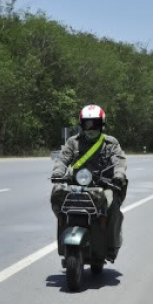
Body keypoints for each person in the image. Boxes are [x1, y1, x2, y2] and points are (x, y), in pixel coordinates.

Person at [51, 104, 127, 260]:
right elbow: (63, 158)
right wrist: (58, 172)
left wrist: (118, 175)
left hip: (104, 185)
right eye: (87, 123)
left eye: (95, 123)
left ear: (102, 124)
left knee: (112, 207)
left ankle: (111, 245)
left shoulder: (110, 143)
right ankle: (63, 226)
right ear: (82, 124)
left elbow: (119, 160)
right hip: (77, 184)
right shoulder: (73, 142)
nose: (90, 127)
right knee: (56, 194)